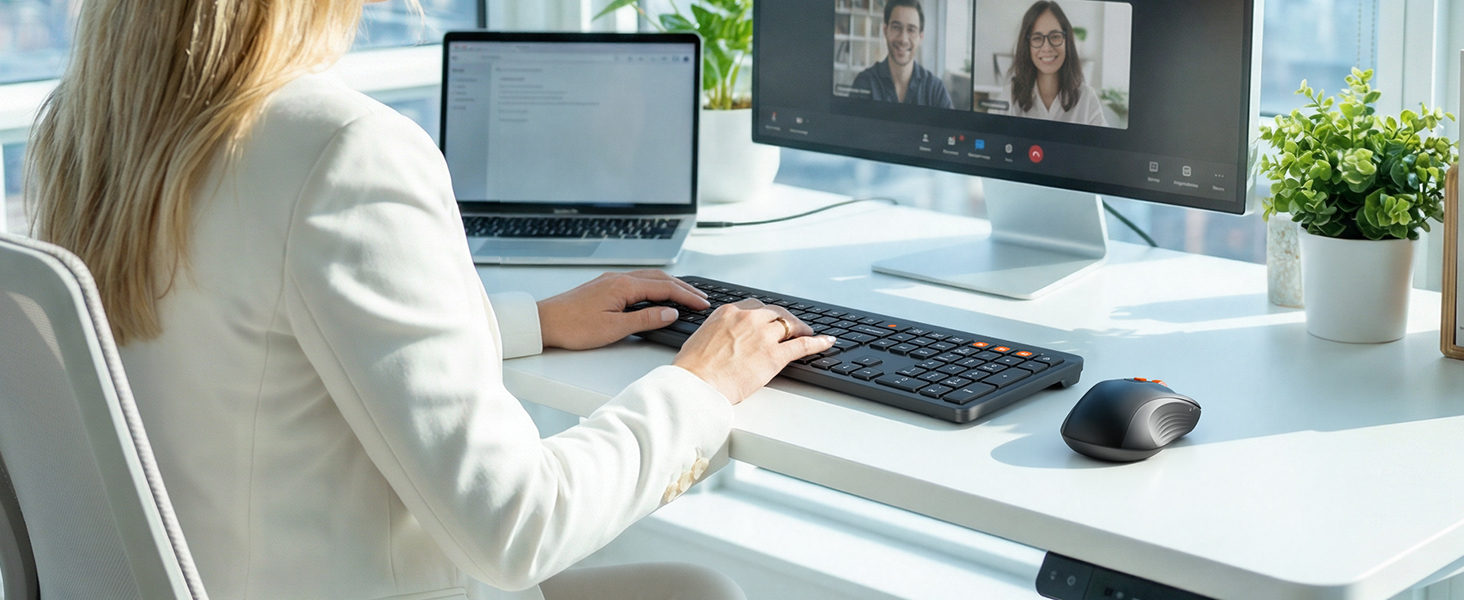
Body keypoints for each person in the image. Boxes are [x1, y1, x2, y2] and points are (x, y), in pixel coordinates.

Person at [23, 0, 836, 599]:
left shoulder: (89, 133)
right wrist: (704, 384)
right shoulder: (342, 148)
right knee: (700, 593)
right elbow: (517, 527)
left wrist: (530, 323)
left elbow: (241, 335)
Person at [1000, 1, 1108, 126]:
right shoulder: (1010, 95)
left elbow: (1103, 144)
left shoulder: (1087, 98)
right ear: (1027, 46)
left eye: (1055, 36)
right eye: (1037, 38)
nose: (1047, 48)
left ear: (1067, 41)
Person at [849, 0, 954, 108]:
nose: (903, 39)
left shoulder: (935, 90)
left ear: (920, 37)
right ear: (885, 30)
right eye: (896, 27)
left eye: (911, 30)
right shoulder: (864, 83)